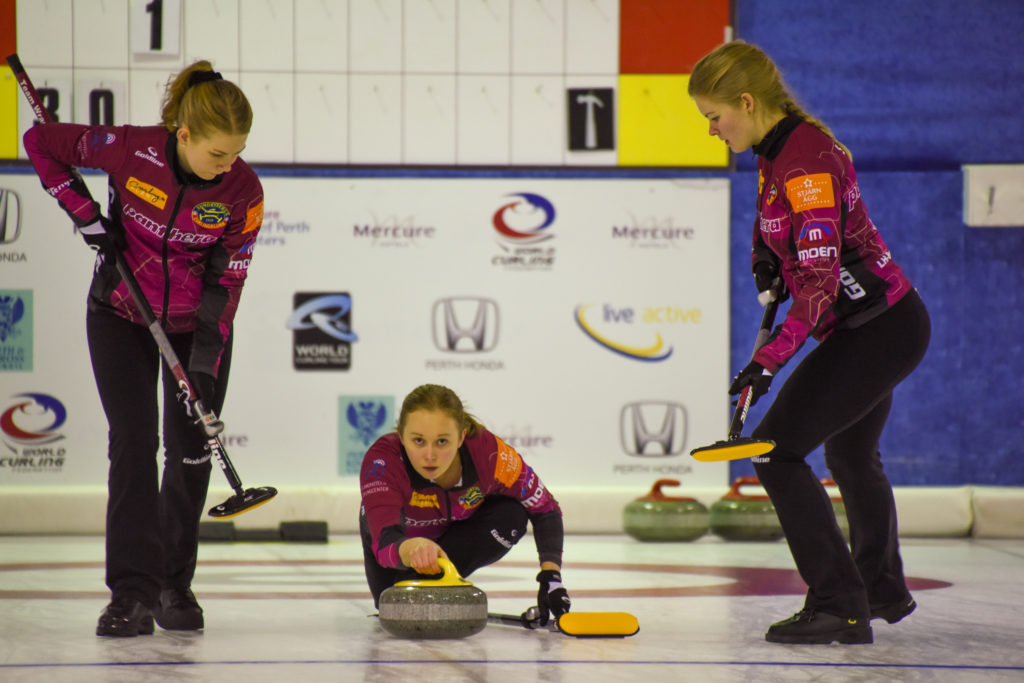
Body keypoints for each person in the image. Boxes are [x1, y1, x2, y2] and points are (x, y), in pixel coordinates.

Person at [688, 41, 931, 645]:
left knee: (777, 453)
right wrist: (765, 258)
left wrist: (766, 363)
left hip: (879, 328)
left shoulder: (807, 164)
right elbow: (773, 217)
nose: (712, 130)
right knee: (851, 455)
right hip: (872, 325)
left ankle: (838, 604)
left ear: (747, 102)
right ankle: (878, 588)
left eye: (715, 117)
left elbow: (820, 285)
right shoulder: (776, 149)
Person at [23, 61, 264, 637]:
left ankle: (173, 585)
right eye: (217, 154)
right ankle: (131, 594)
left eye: (237, 153)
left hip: (195, 326)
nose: (228, 165)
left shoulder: (243, 191)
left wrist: (202, 368)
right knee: (133, 445)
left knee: (190, 448)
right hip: (120, 312)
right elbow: (40, 143)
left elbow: (227, 283)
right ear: (184, 134)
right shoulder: (132, 149)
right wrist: (87, 218)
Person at [360, 384, 571, 626]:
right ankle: (418, 581)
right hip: (400, 547)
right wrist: (412, 548)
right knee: (390, 601)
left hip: (453, 538)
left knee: (512, 515)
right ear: (401, 436)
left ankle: (431, 583)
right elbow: (384, 544)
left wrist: (551, 578)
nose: (430, 455)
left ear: (461, 437)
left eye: (442, 441)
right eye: (418, 441)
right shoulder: (381, 462)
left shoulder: (491, 456)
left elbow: (545, 507)